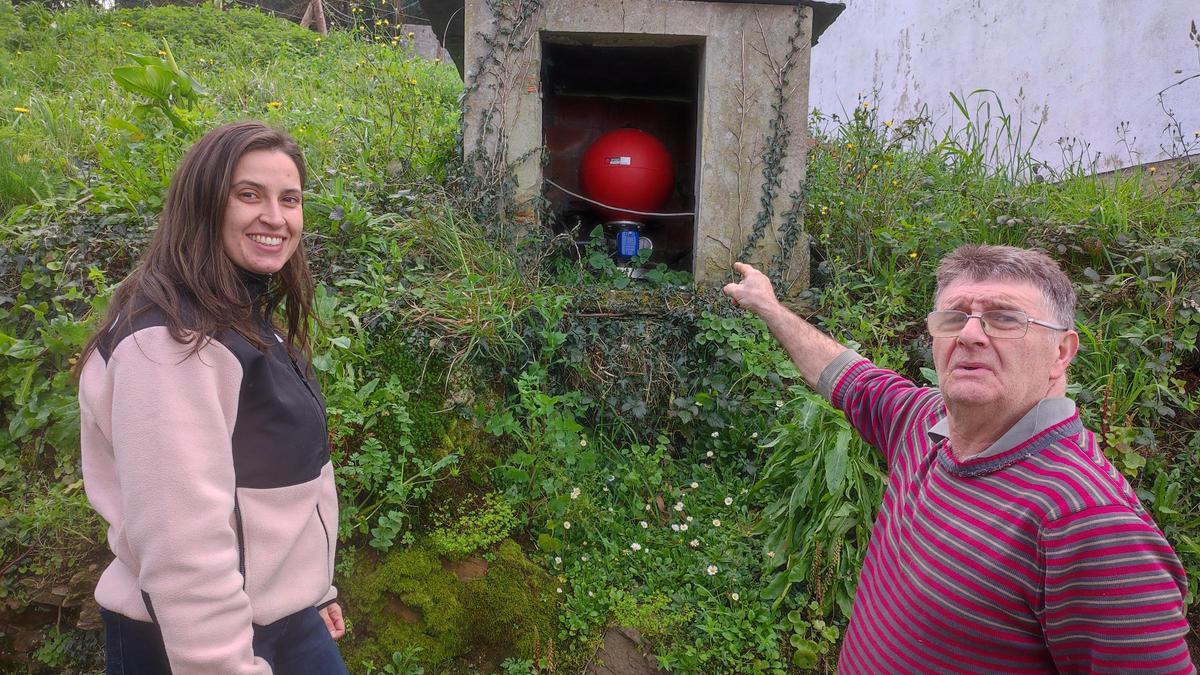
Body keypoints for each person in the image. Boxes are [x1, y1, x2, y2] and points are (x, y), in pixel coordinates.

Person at [724, 245, 1193, 673]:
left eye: (1005, 319)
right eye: (953, 318)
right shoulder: (922, 423)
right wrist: (769, 306)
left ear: (1062, 353)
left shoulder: (1089, 524)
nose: (969, 334)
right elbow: (847, 374)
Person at [77, 122, 347, 674]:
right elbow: (182, 544)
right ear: (203, 205)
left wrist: (313, 590)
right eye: (249, 194)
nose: (275, 216)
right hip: (197, 642)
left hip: (285, 621)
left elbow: (288, 478)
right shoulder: (171, 342)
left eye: (289, 199)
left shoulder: (247, 321)